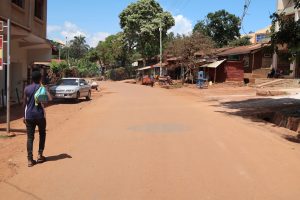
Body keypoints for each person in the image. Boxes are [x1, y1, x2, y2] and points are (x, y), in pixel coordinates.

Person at [23, 71, 52, 167]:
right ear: (40, 79)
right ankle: (40, 155)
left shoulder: (27, 89)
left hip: (29, 116)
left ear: (31, 78)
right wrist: (43, 87)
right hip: (40, 115)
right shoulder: (42, 88)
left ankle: (30, 160)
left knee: (30, 138)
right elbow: (49, 99)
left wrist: (24, 116)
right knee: (42, 134)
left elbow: (24, 104)